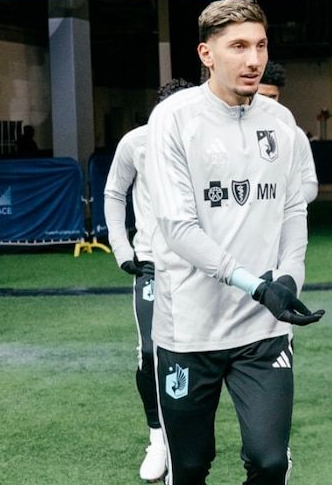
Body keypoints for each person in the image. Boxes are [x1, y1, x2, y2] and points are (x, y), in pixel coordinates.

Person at [144, 0, 324, 484]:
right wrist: (256, 284)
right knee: (190, 466)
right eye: (238, 46)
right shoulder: (174, 118)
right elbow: (178, 228)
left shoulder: (280, 122)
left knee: (270, 462)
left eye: (260, 45)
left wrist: (289, 277)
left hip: (263, 331)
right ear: (206, 54)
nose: (253, 59)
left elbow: (292, 208)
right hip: (189, 329)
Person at [103, 77, 196, 482]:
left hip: (201, 266)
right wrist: (122, 249)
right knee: (150, 351)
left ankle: (186, 436)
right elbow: (114, 193)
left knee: (202, 354)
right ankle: (157, 437)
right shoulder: (136, 142)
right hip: (153, 264)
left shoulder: (205, 141)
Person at [259, 61, 319, 203]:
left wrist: (281, 205)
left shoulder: (294, 133)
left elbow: (309, 184)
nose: (269, 103)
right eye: (261, 96)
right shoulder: (235, 131)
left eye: (272, 97)